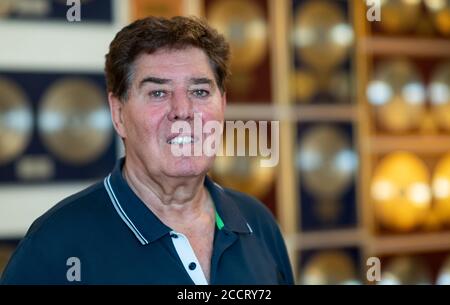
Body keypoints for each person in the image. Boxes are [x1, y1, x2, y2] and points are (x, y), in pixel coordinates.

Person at [0, 16, 294, 285]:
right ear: (118, 114)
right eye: (158, 93)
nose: (183, 111)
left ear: (223, 105)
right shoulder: (55, 244)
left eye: (200, 92)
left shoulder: (257, 222)